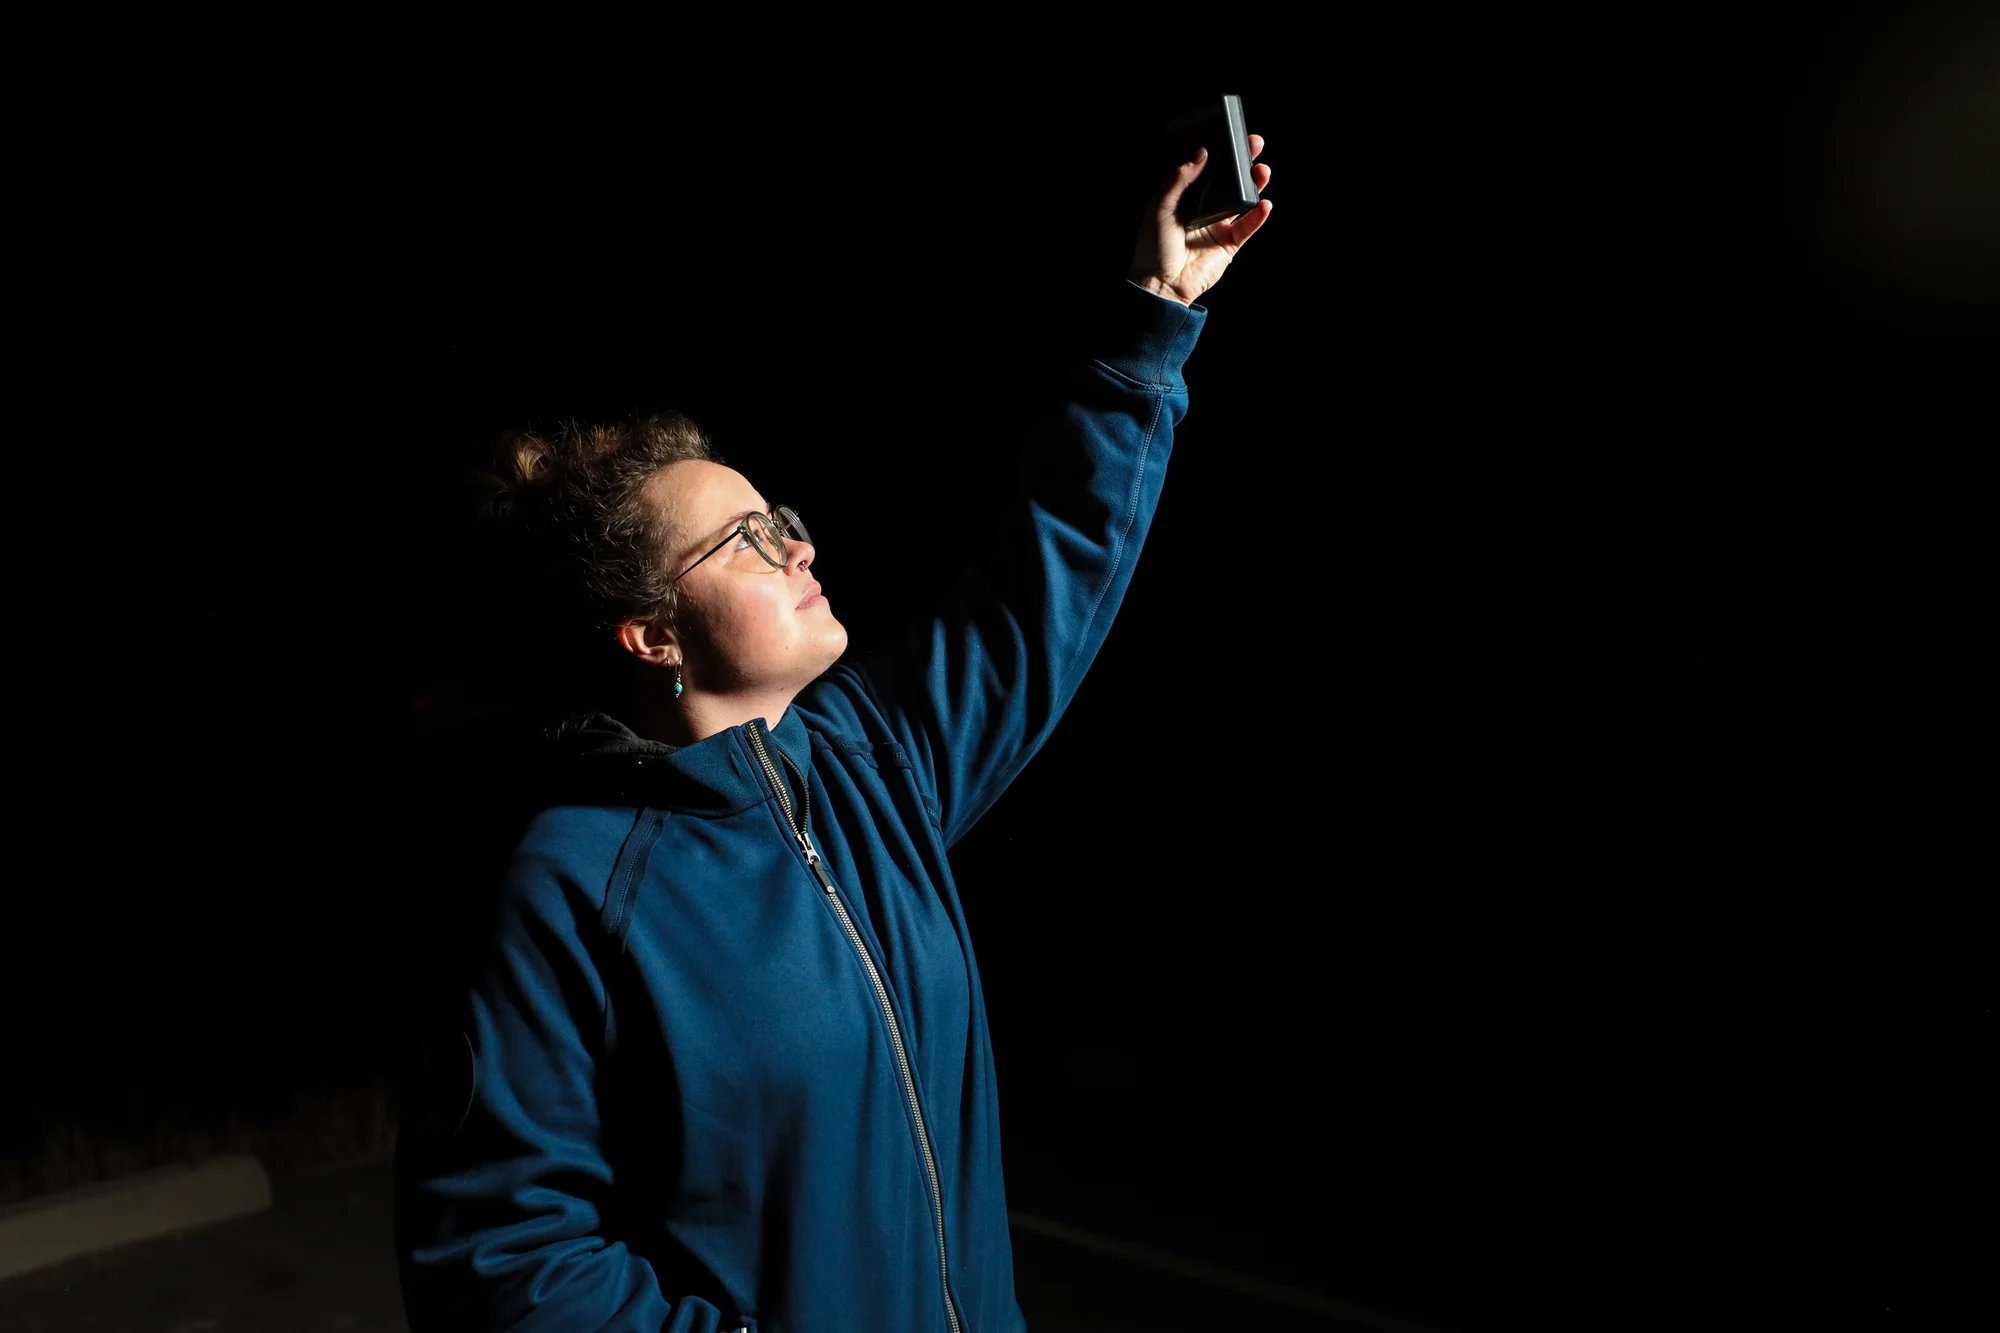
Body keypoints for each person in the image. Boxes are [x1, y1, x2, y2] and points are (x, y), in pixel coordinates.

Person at [394, 136, 1273, 1333]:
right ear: (653, 637)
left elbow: (1044, 585)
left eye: (781, 519)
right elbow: (502, 1254)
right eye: (746, 541)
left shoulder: (868, 766)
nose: (798, 547)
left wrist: (1154, 315)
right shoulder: (570, 885)